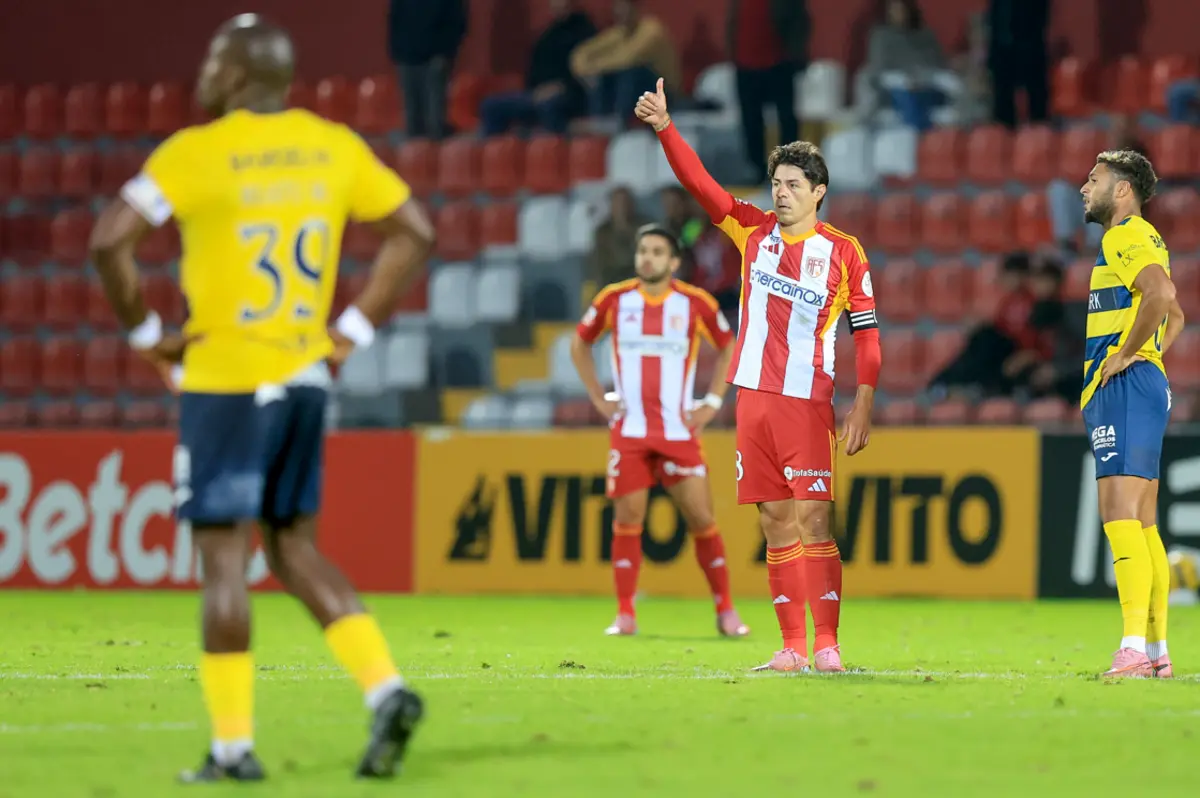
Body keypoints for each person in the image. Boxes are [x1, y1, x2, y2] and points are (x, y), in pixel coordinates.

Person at [89, 14, 436, 781]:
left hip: (226, 377)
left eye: (215, 59)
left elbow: (109, 239)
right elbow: (415, 230)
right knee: (293, 545)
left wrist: (147, 332)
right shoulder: (335, 146)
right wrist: (350, 330)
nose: (205, 73)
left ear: (241, 73)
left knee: (225, 562)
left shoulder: (194, 153)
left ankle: (232, 749)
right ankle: (387, 691)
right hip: (307, 376)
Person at [636, 79, 882, 674]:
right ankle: (791, 647)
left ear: (819, 192)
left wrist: (863, 402)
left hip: (806, 401)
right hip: (753, 401)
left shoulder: (845, 253)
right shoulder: (752, 230)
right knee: (773, 521)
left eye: (794, 185)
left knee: (815, 518)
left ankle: (828, 644)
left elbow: (868, 337)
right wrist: (666, 127)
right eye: (776, 184)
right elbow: (701, 186)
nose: (782, 194)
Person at [570, 223, 750, 638]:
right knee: (628, 519)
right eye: (643, 250)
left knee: (702, 518)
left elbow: (729, 346)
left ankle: (726, 610)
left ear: (673, 262)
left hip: (677, 431)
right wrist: (599, 398)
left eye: (656, 251)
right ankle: (625, 613)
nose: (647, 258)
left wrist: (712, 402)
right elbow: (580, 343)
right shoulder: (614, 300)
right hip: (630, 430)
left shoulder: (694, 303)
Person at [1078, 149, 1185, 678]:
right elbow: (1177, 312)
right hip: (1143, 385)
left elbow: (1162, 296)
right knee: (1143, 524)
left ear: (1122, 190)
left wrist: (1127, 355)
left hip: (1124, 386)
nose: (1084, 187)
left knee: (1120, 515)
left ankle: (1132, 649)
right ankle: (1158, 651)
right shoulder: (1146, 239)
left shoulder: (1123, 234)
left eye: (1094, 179)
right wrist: (1152, 356)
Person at [479, 0, 596, 136]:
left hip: (571, 94)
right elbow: (533, 71)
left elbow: (590, 75)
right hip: (538, 93)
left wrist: (562, 86)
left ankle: (555, 150)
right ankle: (497, 153)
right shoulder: (547, 36)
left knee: (548, 106)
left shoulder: (586, 33)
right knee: (490, 106)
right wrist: (537, 90)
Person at [726, 0, 809, 182]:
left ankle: (790, 166)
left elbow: (799, 21)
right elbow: (733, 22)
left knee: (786, 119)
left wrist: (796, 54)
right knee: (750, 120)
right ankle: (756, 169)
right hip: (745, 64)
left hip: (779, 61)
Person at [570, 0, 680, 122]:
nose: (620, 12)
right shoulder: (619, 32)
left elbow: (629, 59)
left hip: (665, 94)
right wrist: (588, 72)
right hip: (636, 92)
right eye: (617, 8)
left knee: (633, 73)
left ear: (635, 9)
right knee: (601, 76)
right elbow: (580, 54)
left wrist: (594, 68)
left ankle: (620, 119)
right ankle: (599, 121)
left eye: (624, 8)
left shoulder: (652, 30)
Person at [864, 0, 960, 131]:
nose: (898, 14)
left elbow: (938, 66)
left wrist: (923, 80)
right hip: (896, 89)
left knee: (950, 93)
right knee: (909, 99)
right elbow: (877, 73)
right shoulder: (881, 37)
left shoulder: (926, 36)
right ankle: (918, 134)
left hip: (927, 86)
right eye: (894, 10)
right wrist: (904, 81)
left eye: (901, 9)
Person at [388, 0, 467, 139]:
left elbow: (457, 23)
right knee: (412, 117)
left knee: (434, 120)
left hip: (435, 59)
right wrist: (397, 52)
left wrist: (445, 54)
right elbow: (395, 20)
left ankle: (436, 154)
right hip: (407, 57)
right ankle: (415, 155)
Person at [986, 0, 1049, 128]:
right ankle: (1004, 130)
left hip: (1030, 43)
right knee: (1003, 98)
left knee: (1036, 93)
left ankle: (1039, 129)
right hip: (1002, 45)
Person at [587, 186, 651, 288]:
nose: (622, 207)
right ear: (612, 206)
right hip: (613, 281)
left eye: (625, 202)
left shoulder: (644, 226)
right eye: (618, 203)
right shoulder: (603, 232)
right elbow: (598, 264)